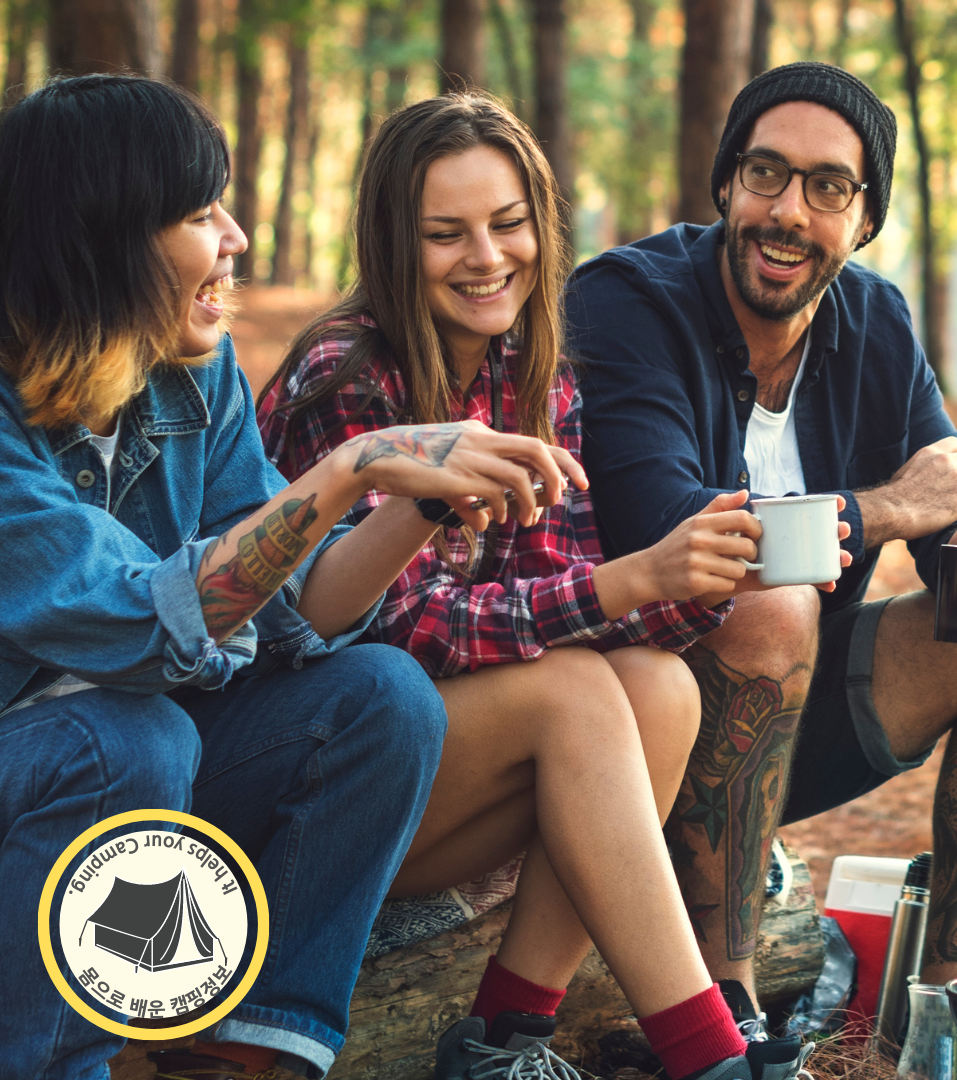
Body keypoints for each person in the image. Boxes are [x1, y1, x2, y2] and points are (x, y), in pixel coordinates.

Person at [0, 76, 582, 1080]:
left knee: (381, 696)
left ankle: (252, 1057)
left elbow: (298, 608)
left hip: (143, 785)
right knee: (126, 738)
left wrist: (419, 496)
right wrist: (348, 467)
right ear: (99, 239)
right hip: (53, 771)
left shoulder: (195, 376)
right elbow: (141, 625)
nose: (234, 238)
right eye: (200, 214)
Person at [258, 94, 820, 1080]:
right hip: (326, 781)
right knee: (573, 693)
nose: (487, 257)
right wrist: (624, 583)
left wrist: (698, 574)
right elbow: (388, 632)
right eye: (446, 234)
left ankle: (501, 1042)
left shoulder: (533, 363)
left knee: (660, 687)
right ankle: (710, 1057)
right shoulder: (347, 375)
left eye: (509, 223)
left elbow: (555, 594)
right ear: (394, 243)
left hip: (459, 775)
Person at [565, 62, 957, 1017]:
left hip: (786, 721)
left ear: (865, 219)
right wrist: (886, 509)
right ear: (727, 184)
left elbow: (952, 493)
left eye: (829, 188)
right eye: (766, 173)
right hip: (624, 729)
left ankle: (950, 1016)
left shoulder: (875, 320)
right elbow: (674, 538)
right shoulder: (627, 301)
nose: (789, 213)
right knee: (768, 599)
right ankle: (729, 1008)